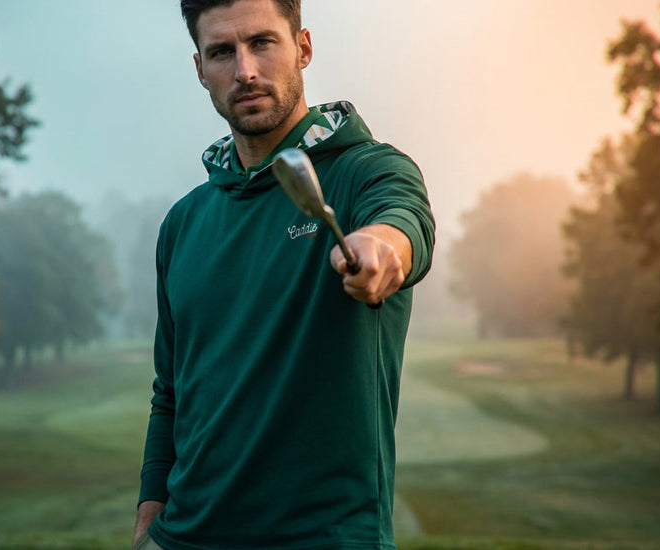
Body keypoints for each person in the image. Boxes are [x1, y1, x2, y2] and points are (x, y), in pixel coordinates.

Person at [133, 0, 435, 548]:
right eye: (222, 51)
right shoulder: (183, 222)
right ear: (200, 69)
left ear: (303, 47)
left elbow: (404, 220)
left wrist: (380, 247)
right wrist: (148, 526)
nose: (245, 70)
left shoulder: (366, 170)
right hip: (182, 539)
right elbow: (170, 394)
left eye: (262, 43)